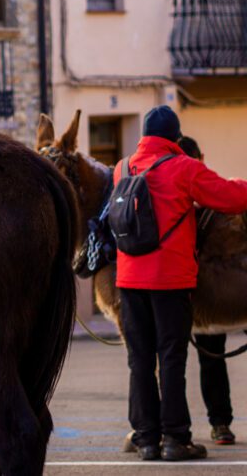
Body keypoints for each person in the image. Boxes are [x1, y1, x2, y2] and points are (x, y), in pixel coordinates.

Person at [116, 106, 247, 462]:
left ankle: (146, 440)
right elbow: (231, 197)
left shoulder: (122, 168)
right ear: (174, 137)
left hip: (128, 280)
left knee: (139, 360)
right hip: (170, 281)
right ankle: (175, 439)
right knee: (171, 358)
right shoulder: (184, 167)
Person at [178, 135, 236, 446]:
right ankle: (219, 423)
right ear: (201, 157)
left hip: (184, 290)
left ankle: (175, 428)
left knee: (174, 361)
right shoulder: (210, 191)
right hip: (214, 292)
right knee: (211, 357)